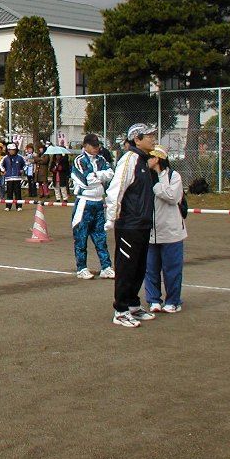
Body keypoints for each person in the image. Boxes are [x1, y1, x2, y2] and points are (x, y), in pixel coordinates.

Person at [104, 122, 159, 328]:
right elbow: (116, 190)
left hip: (142, 224)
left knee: (139, 267)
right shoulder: (130, 159)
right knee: (126, 267)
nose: (153, 139)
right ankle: (120, 310)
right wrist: (112, 218)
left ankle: (133, 304)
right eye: (149, 136)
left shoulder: (144, 161)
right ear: (137, 139)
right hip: (128, 224)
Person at [144, 145, 187, 313]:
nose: (146, 161)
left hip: (171, 232)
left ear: (157, 159)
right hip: (150, 231)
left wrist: (156, 185)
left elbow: (173, 197)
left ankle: (173, 301)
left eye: (149, 157)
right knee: (150, 269)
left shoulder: (173, 176)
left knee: (172, 269)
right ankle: (153, 300)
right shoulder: (144, 176)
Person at [70, 133, 115, 280]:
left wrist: (96, 175)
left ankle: (106, 267)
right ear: (85, 146)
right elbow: (86, 180)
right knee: (81, 236)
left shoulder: (101, 159)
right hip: (84, 202)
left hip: (98, 201)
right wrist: (100, 176)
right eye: (93, 145)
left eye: (97, 145)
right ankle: (81, 267)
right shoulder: (79, 160)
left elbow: (110, 174)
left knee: (100, 236)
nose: (96, 148)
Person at [0, 142, 26, 211]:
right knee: (9, 193)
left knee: (18, 193)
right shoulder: (5, 158)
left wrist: (23, 170)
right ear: (8, 150)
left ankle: (19, 206)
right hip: (9, 178)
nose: (13, 151)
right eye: (11, 150)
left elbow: (26, 164)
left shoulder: (20, 157)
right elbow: (0, 164)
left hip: (17, 178)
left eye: (14, 149)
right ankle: (8, 206)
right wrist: (3, 170)